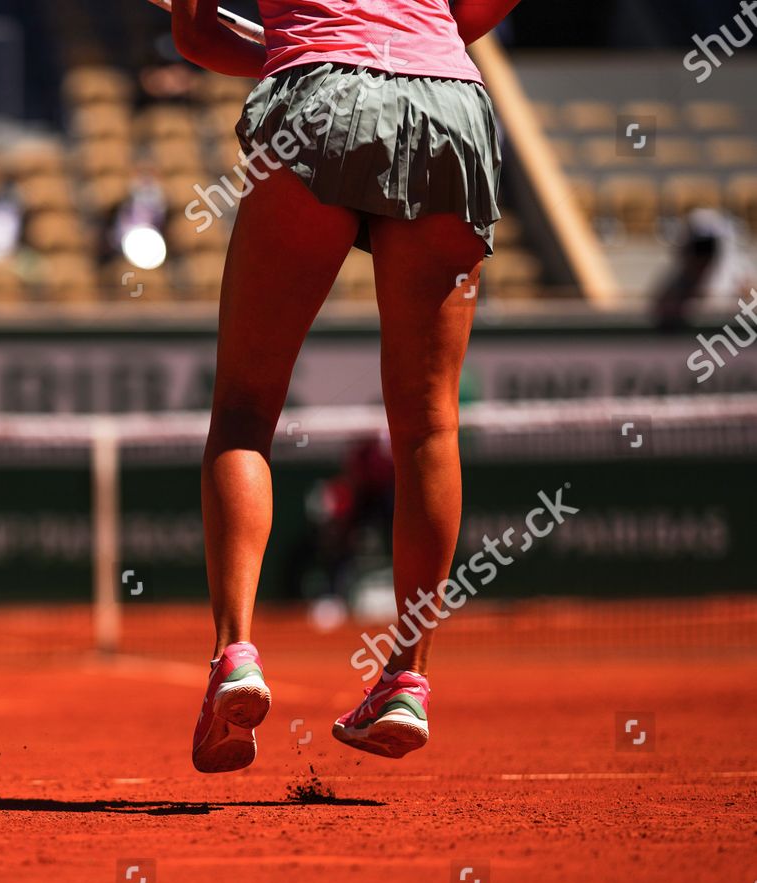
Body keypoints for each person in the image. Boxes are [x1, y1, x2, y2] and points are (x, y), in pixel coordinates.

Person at [173, 0, 520, 770]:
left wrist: (296, 48)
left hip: (315, 102)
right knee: (430, 425)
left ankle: (235, 656)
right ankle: (406, 678)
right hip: (450, 105)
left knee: (244, 410)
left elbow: (196, 33)